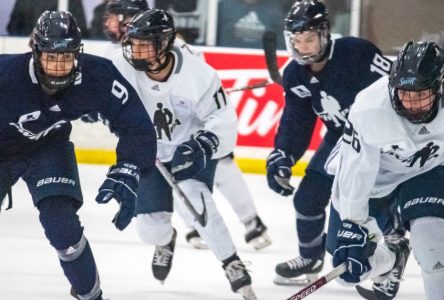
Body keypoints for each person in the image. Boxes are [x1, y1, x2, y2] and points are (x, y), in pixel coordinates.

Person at [0, 10, 157, 300]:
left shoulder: (96, 75)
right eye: (51, 57)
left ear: (78, 53)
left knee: (63, 229)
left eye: (67, 57)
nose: (59, 67)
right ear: (34, 52)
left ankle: (92, 297)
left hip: (48, 147)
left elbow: (134, 122)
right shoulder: (6, 77)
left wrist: (130, 166)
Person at [95, 0, 271, 251]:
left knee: (221, 164)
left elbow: (192, 73)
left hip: (194, 117)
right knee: (169, 167)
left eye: (115, 16)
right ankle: (193, 226)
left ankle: (251, 220)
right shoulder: (119, 53)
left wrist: (177, 98)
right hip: (162, 126)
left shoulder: (169, 44)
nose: (109, 22)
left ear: (130, 18)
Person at [109, 9, 257, 299]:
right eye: (133, 43)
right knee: (149, 230)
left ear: (164, 44)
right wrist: (95, 107)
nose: (136, 50)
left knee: (196, 199)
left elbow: (223, 121)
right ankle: (166, 240)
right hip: (151, 152)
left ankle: (231, 262)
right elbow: (94, 89)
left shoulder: (198, 74)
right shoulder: (121, 65)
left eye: (145, 44)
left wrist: (204, 144)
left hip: (190, 149)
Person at [266, 0, 397, 286]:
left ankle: (393, 250)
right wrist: (283, 155)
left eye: (309, 39)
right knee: (307, 199)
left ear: (324, 34)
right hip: (340, 141)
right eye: (297, 41)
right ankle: (310, 257)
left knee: (369, 209)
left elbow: (394, 89)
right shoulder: (295, 74)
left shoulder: (356, 53)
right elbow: (296, 122)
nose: (303, 47)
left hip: (378, 142)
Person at [326, 40, 444, 300]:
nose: (412, 104)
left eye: (421, 96)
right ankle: (393, 256)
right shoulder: (370, 108)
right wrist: (354, 225)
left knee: (431, 242)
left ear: (438, 87)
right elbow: (356, 171)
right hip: (378, 176)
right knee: (348, 266)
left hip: (430, 170)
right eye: (405, 94)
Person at [217, 0, 286, 49]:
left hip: (265, 60)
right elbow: (212, 35)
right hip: (227, 58)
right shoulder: (223, 6)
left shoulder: (274, 9)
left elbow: (282, 42)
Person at [7, 0, 88, 37]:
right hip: (27, 50)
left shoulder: (70, 2)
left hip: (60, 52)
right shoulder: (25, 2)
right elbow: (13, 26)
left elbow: (80, 29)